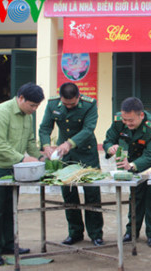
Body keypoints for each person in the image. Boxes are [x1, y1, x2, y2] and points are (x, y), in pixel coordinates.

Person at [0, 83, 45, 266]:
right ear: (21, 98)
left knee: (10, 207)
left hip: (14, 167)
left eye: (36, 107)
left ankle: (8, 244)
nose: (33, 110)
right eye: (32, 105)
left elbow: (30, 141)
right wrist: (22, 159)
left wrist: (39, 156)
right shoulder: (1, 112)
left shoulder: (27, 116)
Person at [39, 82, 104, 247]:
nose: (68, 107)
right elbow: (45, 127)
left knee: (92, 193)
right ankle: (75, 233)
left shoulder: (90, 104)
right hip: (64, 155)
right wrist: (46, 145)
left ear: (78, 97)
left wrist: (69, 143)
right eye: (66, 104)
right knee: (68, 193)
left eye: (72, 104)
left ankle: (96, 234)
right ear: (61, 98)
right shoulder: (53, 104)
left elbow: (88, 129)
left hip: (86, 153)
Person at [103, 97, 151, 247]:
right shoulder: (119, 120)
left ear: (141, 115)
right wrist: (110, 148)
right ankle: (131, 231)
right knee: (136, 194)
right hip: (136, 154)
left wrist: (131, 165)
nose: (127, 123)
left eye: (131, 120)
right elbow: (108, 140)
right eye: (125, 120)